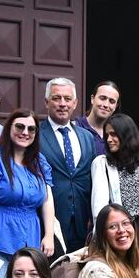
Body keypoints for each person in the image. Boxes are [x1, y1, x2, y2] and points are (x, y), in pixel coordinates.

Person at [0, 110, 55, 278]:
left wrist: (49, 234)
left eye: (31, 129)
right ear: (8, 128)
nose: (25, 132)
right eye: (19, 126)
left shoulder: (39, 161)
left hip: (31, 235)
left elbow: (46, 198)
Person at [38, 78, 97, 253]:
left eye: (67, 99)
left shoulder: (87, 137)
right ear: (47, 102)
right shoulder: (35, 136)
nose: (62, 104)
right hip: (48, 225)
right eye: (56, 98)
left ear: (75, 103)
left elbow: (91, 178)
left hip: (81, 224)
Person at [91, 114, 139, 244]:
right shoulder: (102, 163)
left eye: (113, 134)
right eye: (107, 135)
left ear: (126, 135)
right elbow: (99, 207)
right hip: (117, 232)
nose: (108, 139)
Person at [74, 80, 121, 156]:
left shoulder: (118, 134)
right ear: (92, 99)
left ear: (116, 106)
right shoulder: (75, 127)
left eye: (112, 101)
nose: (106, 104)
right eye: (102, 98)